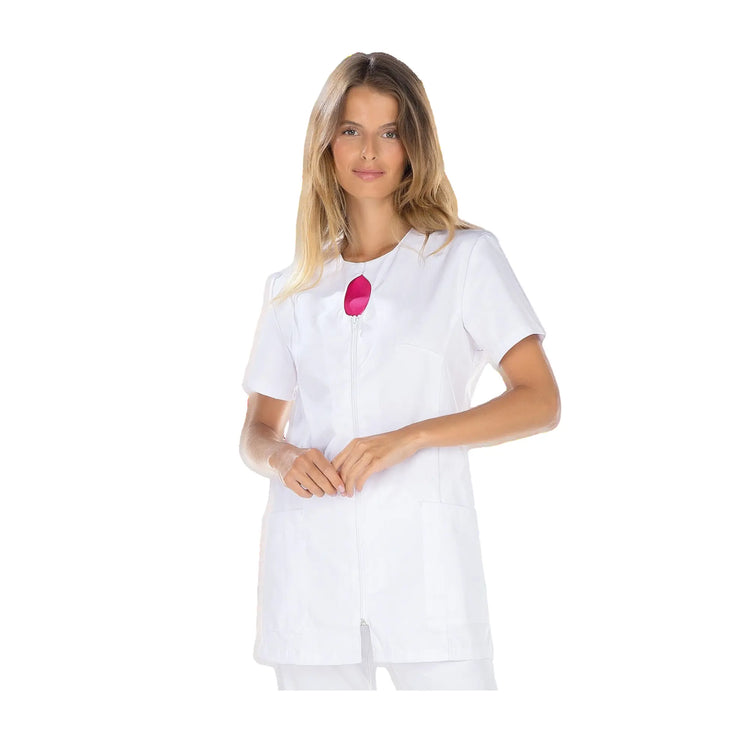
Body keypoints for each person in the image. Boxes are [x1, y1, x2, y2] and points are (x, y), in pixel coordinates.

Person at [239, 51, 560, 690]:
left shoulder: (463, 258)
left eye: (389, 131)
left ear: (414, 144)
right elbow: (255, 431)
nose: (369, 151)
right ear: (326, 143)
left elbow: (540, 399)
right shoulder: (292, 287)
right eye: (351, 130)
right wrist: (282, 457)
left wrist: (409, 437)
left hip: (427, 574)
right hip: (311, 571)